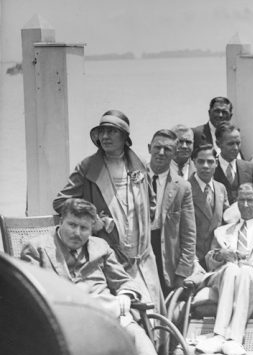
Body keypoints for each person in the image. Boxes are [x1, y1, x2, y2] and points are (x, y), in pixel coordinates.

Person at [21, 199, 205, 355]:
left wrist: (126, 296)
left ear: (92, 229)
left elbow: (126, 282)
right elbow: (30, 293)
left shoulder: (100, 247)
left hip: (108, 314)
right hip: (65, 324)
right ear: (60, 222)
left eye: (84, 228)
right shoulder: (37, 248)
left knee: (136, 335)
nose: (77, 233)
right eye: (72, 225)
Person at [54, 110, 163, 308]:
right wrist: (94, 219)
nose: (105, 136)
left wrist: (139, 226)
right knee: (122, 309)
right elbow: (61, 202)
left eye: (112, 131)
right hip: (108, 253)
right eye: (102, 131)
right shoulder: (87, 166)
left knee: (151, 310)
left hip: (141, 254)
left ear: (124, 137)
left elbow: (151, 204)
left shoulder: (138, 165)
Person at [193, 184, 253, 355]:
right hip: (224, 277)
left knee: (244, 270)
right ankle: (220, 336)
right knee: (231, 268)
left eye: (250, 200)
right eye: (241, 200)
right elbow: (209, 260)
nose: (244, 205)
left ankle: (232, 338)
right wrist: (221, 255)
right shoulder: (222, 231)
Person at [147, 129, 197, 295]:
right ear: (149, 148)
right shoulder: (133, 179)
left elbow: (189, 234)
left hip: (165, 256)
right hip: (138, 253)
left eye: (168, 149)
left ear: (175, 153)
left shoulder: (183, 187)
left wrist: (183, 271)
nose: (161, 153)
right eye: (157, 147)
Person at [189, 145, 228, 267]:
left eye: (210, 161)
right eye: (201, 161)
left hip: (217, 257)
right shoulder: (185, 188)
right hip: (194, 258)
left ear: (216, 163)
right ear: (194, 162)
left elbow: (226, 221)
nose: (205, 166)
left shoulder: (221, 188)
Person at [214, 123, 253, 203]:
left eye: (238, 143)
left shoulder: (250, 169)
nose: (235, 148)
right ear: (218, 144)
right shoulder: (210, 169)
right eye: (230, 144)